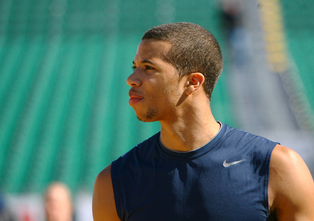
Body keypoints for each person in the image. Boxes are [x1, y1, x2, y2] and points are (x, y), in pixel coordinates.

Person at [92, 22, 314, 220]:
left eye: (149, 68)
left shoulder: (278, 167)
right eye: (135, 67)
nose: (132, 79)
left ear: (192, 82)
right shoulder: (113, 183)